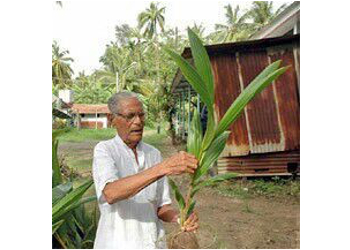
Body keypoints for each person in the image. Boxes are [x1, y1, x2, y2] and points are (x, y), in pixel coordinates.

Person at [92, 91, 199, 249]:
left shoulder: (153, 154)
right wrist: (163, 168)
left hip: (153, 243)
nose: (138, 122)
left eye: (141, 115)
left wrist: (179, 218)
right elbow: (111, 193)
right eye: (130, 116)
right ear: (111, 119)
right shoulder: (105, 150)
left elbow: (162, 207)